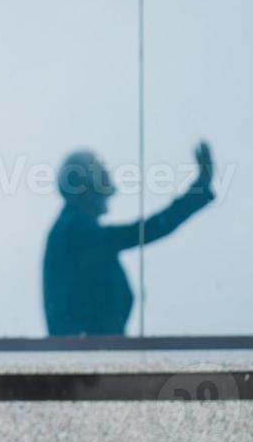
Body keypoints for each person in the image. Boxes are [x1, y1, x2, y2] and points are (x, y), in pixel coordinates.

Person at [42, 142, 215, 336]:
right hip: (91, 352)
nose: (107, 195)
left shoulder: (73, 230)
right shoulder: (77, 231)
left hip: (91, 350)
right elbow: (147, 230)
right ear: (87, 190)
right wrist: (199, 188)